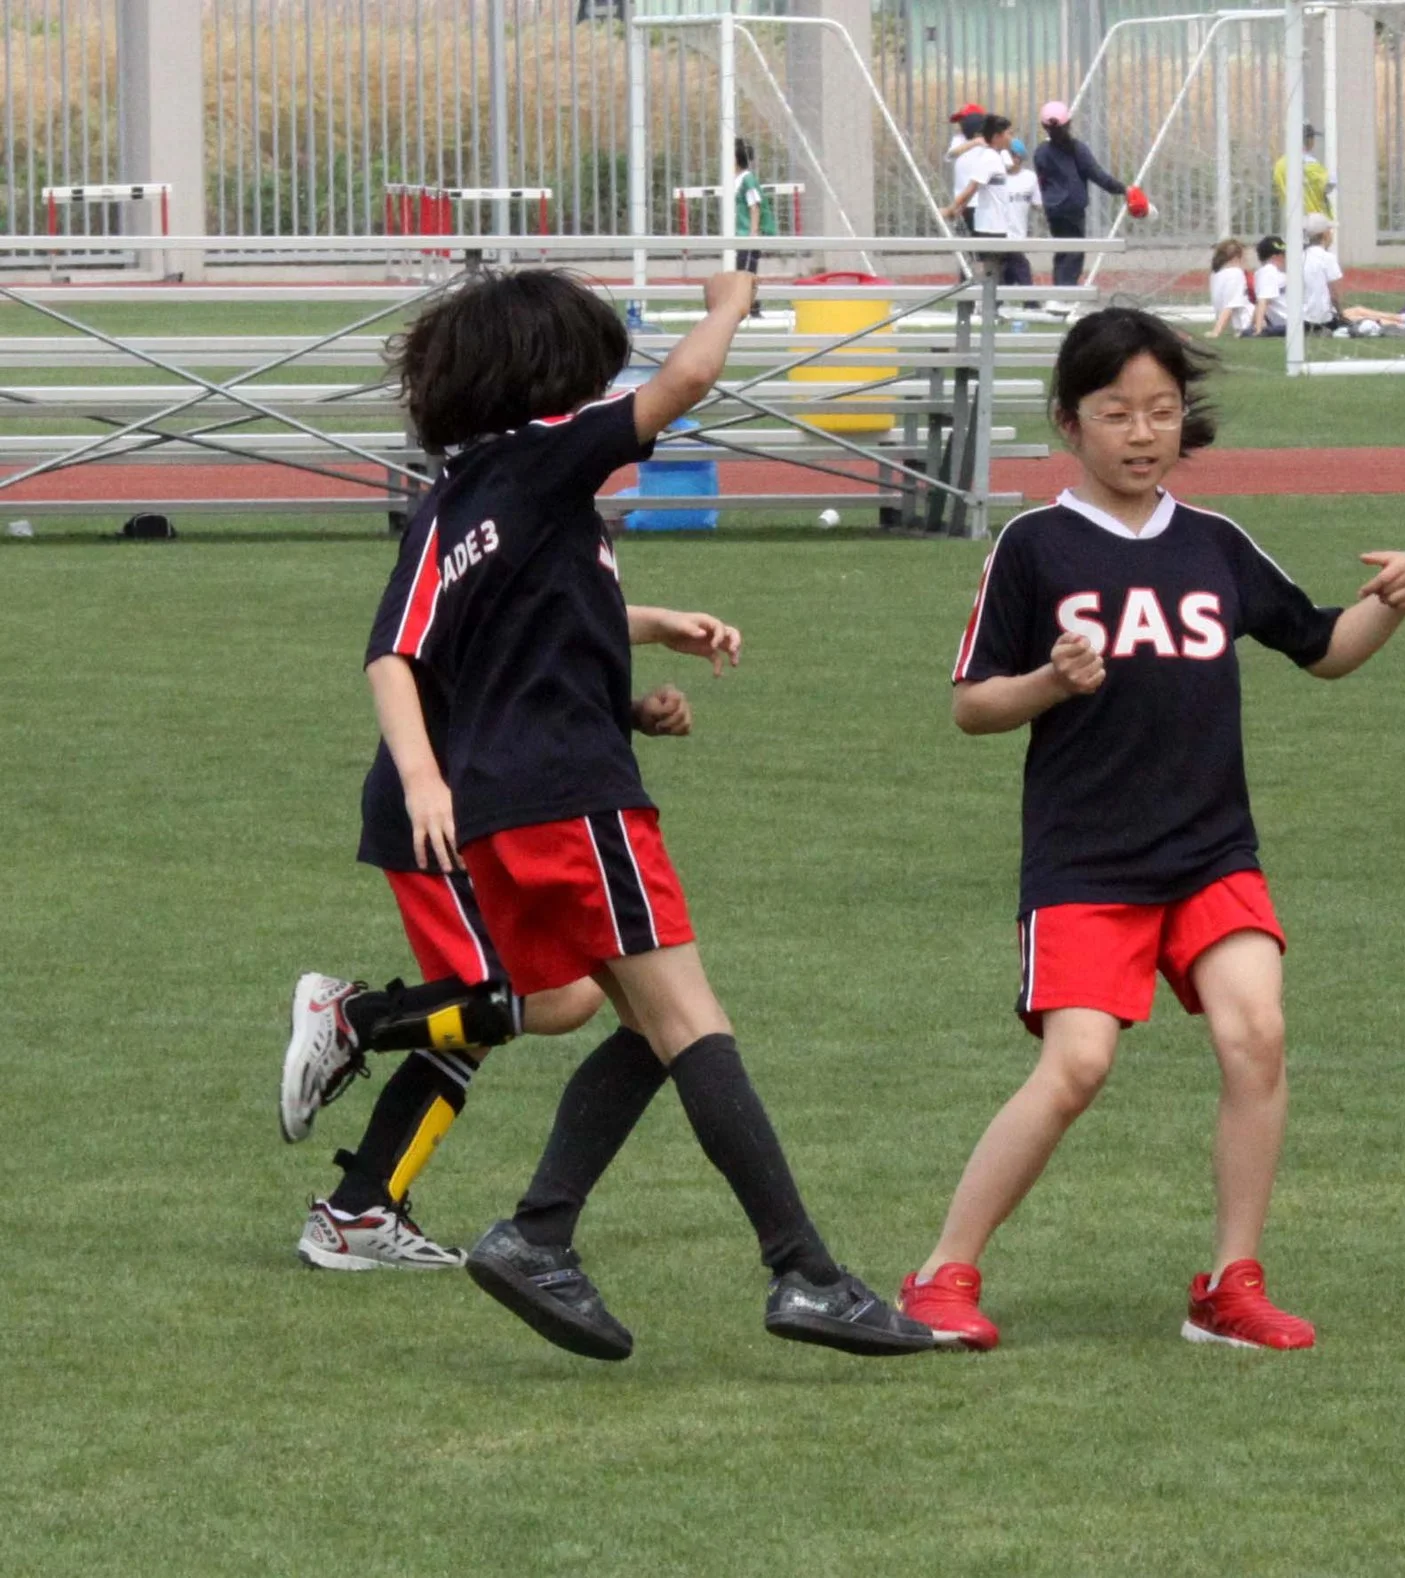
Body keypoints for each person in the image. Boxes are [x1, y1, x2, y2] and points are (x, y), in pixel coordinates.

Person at [371, 266, 933, 1362]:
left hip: (500, 815)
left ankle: (539, 1234)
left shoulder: (453, 502)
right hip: (578, 801)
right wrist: (729, 302)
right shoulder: (549, 454)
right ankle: (804, 1273)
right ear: (548, 377)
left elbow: (408, 651)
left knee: (640, 1024)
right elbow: (688, 380)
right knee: (692, 1022)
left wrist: (643, 638)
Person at [898, 307, 1405, 1352]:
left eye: (1162, 412)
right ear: (1067, 424)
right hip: (1087, 860)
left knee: (1256, 1035)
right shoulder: (1035, 545)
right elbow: (972, 704)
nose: (1143, 434)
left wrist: (1395, 602)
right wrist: (1050, 681)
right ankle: (939, 1277)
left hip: (1209, 854)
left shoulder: (1214, 543)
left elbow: (1322, 646)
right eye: (1116, 413)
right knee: (1077, 1065)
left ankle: (1230, 1285)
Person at [278, 618, 738, 1272]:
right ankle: (354, 1019)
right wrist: (659, 628)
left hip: (499, 803)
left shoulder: (543, 532)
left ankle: (360, 1211)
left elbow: (540, 652)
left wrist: (629, 710)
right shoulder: (492, 521)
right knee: (556, 997)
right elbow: (481, 644)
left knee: (473, 1019)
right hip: (451, 809)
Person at [1033, 101, 1131, 307]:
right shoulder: (1076, 149)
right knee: (1074, 252)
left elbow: (1043, 180)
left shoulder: (1041, 152)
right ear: (1069, 123)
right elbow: (1097, 175)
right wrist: (1122, 189)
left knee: (1062, 250)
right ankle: (1064, 295)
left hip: (1052, 209)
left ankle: (1060, 291)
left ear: (1045, 127)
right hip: (1072, 208)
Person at [1300, 214, 1405, 336]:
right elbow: (1335, 294)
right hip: (1322, 320)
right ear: (1325, 234)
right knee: (1358, 317)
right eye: (1330, 230)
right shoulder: (1327, 258)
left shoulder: (1301, 257)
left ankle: (1404, 318)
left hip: (1304, 318)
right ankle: (1402, 324)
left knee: (1357, 310)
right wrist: (1340, 313)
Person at [945, 114, 1015, 281]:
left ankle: (986, 304)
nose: (1011, 137)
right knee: (991, 270)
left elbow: (975, 190)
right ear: (997, 136)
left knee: (997, 270)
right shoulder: (988, 159)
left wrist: (958, 208)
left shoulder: (997, 156)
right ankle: (975, 303)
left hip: (998, 225)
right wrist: (950, 209)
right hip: (990, 227)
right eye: (1008, 133)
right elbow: (971, 188)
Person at [730, 138, 772, 319]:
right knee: (740, 273)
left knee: (746, 273)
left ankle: (752, 307)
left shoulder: (747, 180)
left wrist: (753, 233)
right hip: (738, 234)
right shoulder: (736, 179)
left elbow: (754, 206)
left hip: (746, 235)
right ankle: (748, 305)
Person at [998, 137, 1044, 291]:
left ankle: (996, 303)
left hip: (1018, 235)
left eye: (1013, 155)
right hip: (1000, 235)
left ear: (1018, 157)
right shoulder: (997, 177)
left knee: (1007, 275)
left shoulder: (1029, 178)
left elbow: (1038, 204)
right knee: (1021, 268)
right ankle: (1032, 302)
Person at [1272, 123, 1335, 223]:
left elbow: (1277, 187)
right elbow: (1331, 182)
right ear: (1309, 141)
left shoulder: (1280, 165)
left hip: (1291, 219)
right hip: (1313, 220)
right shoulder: (1311, 164)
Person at [1207, 238, 1254, 336]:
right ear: (1236, 258)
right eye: (1244, 257)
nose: (1246, 260)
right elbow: (1230, 306)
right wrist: (1216, 332)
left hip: (1236, 326)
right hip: (1247, 324)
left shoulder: (1215, 275)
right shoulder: (1236, 273)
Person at [1251, 236, 1289, 335]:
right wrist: (1258, 329)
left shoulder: (1271, 273)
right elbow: (1263, 301)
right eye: (1284, 254)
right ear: (1275, 257)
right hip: (1289, 322)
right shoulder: (1268, 271)